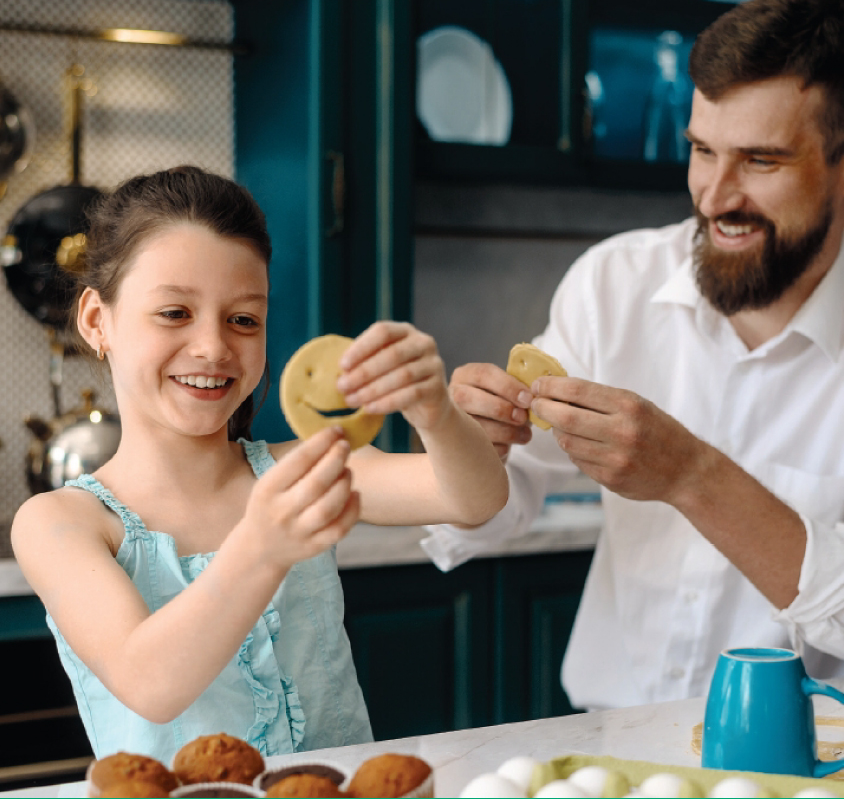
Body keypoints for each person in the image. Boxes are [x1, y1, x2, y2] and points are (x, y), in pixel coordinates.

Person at [425, 0, 844, 711]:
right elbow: (497, 509)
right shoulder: (611, 283)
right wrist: (467, 441)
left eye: (760, 160)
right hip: (610, 746)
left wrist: (691, 474)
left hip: (816, 760)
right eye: (701, 150)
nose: (714, 196)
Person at [10, 166, 509, 761]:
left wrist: (435, 411)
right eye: (174, 313)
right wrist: (262, 546)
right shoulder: (60, 523)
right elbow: (151, 684)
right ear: (98, 321)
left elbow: (475, 499)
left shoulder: (304, 468)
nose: (214, 348)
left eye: (243, 319)